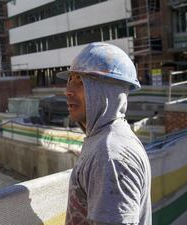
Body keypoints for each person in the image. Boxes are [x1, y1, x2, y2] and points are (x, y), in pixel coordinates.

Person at [57, 42, 151, 225]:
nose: (68, 91)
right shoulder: (106, 138)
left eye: (81, 82)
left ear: (108, 91)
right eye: (70, 80)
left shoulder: (110, 154)